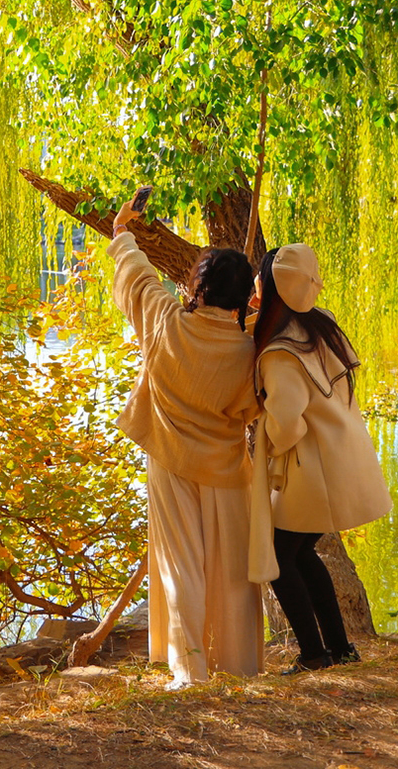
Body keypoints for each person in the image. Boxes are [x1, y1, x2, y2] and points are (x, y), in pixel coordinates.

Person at [107, 204, 264, 687]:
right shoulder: (251, 350)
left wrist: (122, 231)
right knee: (233, 572)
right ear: (244, 297)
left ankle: (189, 670)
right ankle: (237, 666)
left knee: (181, 567)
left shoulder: (165, 321)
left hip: (171, 462)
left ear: (197, 287)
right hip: (225, 468)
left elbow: (137, 280)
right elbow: (251, 409)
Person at [246, 244, 393, 674]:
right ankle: (339, 649)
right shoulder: (320, 323)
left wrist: (265, 441)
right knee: (300, 552)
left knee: (279, 557)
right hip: (342, 453)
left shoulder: (279, 351)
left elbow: (288, 424)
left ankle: (315, 655)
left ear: (272, 285)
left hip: (311, 470)